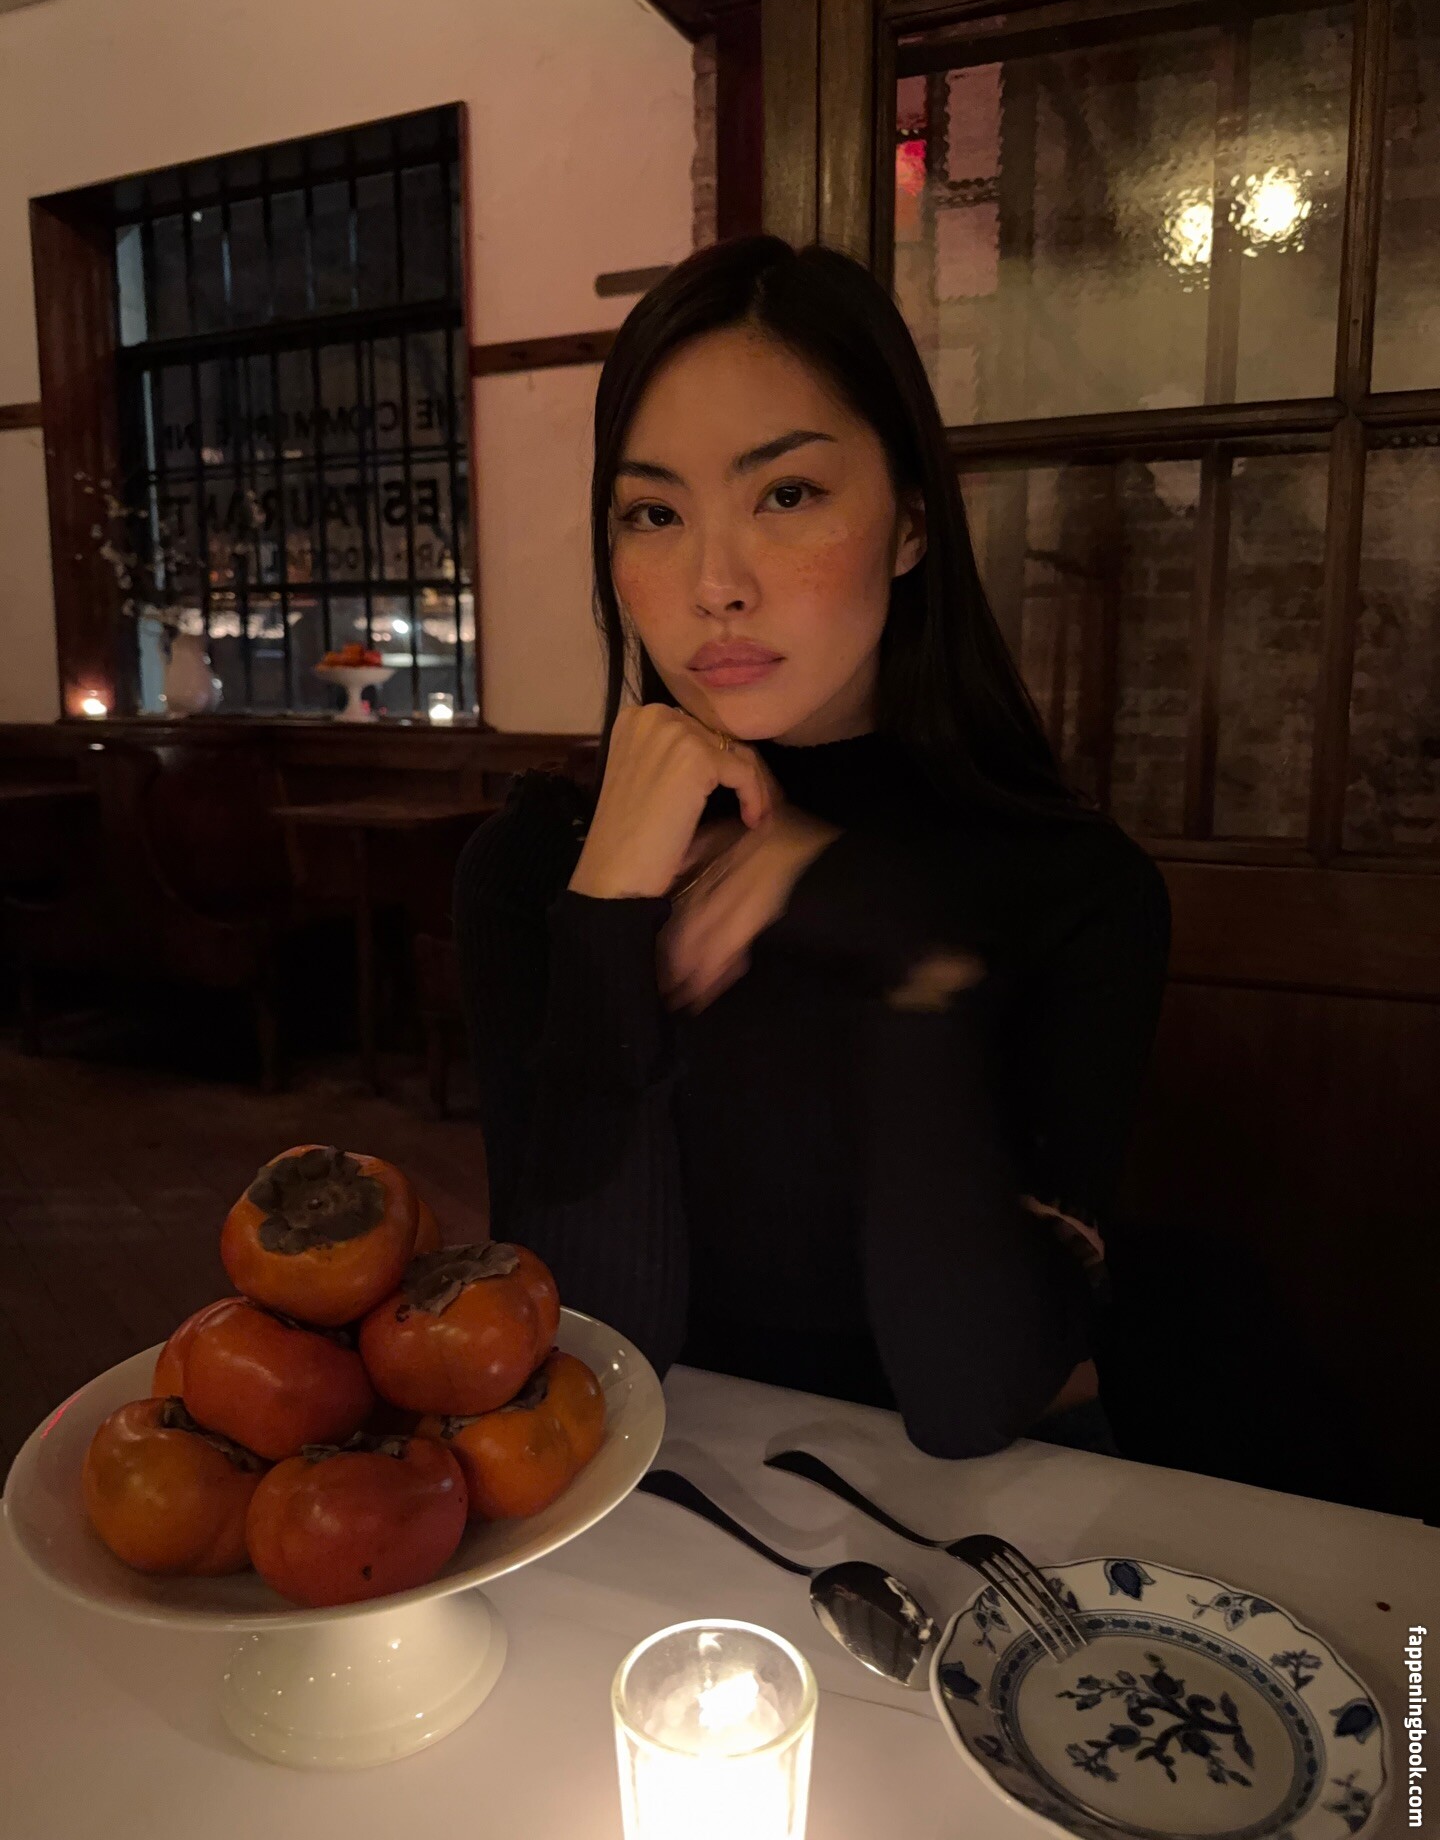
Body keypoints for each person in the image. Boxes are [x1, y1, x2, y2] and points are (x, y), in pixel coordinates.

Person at [454, 236, 1170, 1458]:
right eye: (653, 512)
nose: (715, 584)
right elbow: (582, 1356)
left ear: (911, 522)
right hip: (660, 1511)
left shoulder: (1072, 887)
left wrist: (895, 941)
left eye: (786, 495)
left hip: (975, 1523)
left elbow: (973, 1395)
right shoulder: (536, 864)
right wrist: (610, 910)